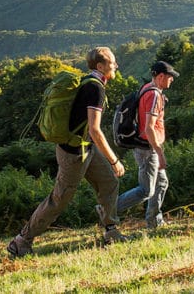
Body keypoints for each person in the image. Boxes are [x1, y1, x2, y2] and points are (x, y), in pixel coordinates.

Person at [7, 47, 129, 257]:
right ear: (100, 66)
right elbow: (95, 129)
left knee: (109, 182)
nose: (115, 66)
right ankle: (21, 240)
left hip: (85, 148)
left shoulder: (89, 82)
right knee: (59, 199)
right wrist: (114, 160)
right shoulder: (95, 89)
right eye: (112, 63)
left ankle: (111, 231)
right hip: (74, 154)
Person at [116, 60, 179, 229]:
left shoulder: (146, 89)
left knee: (162, 183)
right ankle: (109, 210)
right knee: (146, 190)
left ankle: (154, 221)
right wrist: (159, 152)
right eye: (170, 77)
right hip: (147, 148)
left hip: (145, 146)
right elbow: (149, 127)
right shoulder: (154, 95)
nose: (172, 80)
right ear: (160, 76)